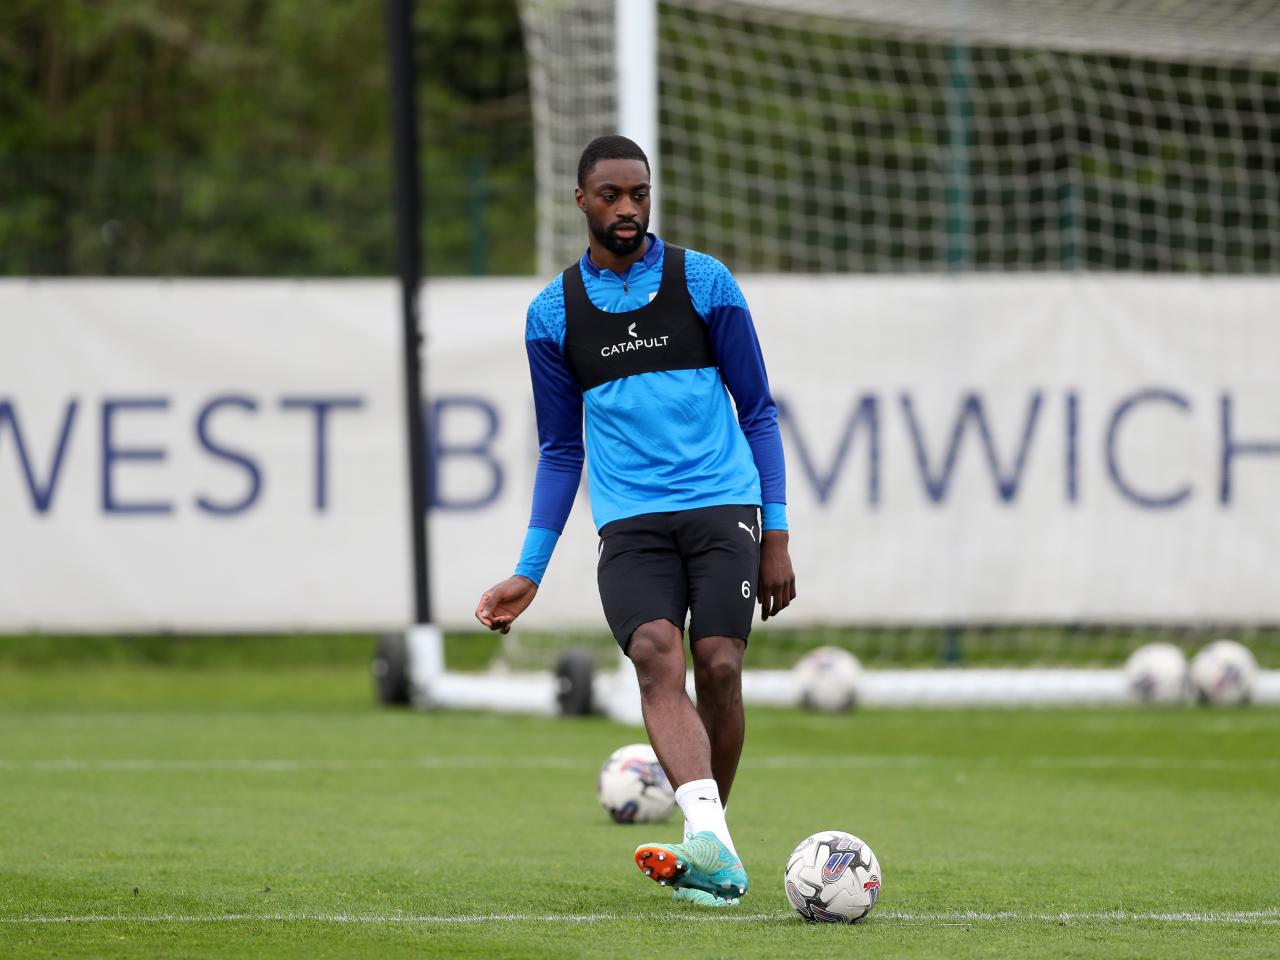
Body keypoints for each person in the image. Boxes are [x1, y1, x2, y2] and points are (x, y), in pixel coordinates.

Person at [474, 134, 795, 907]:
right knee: (658, 657)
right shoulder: (552, 313)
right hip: (633, 525)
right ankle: (711, 843)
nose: (628, 209)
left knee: (719, 665)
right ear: (580, 200)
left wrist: (777, 532)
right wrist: (530, 569)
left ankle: (709, 840)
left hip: (725, 505)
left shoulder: (706, 282)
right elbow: (559, 449)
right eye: (611, 195)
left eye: (639, 194)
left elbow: (756, 410)